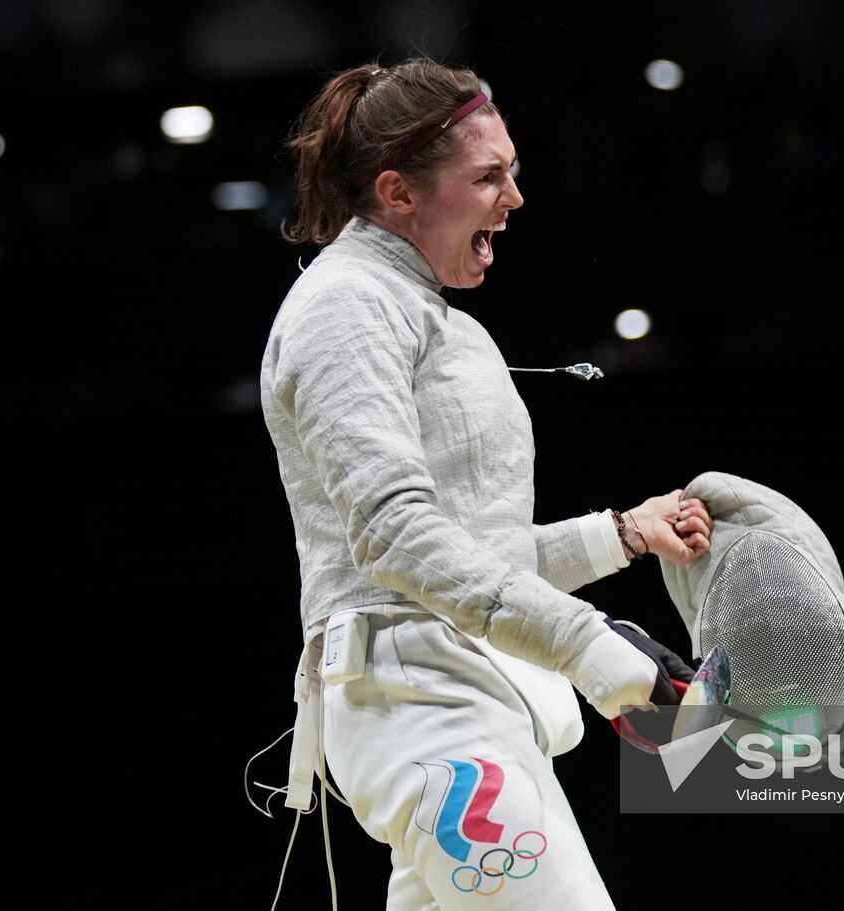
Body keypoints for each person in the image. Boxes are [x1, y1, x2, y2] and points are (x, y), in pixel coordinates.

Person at [259, 58, 713, 909]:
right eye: (489, 176)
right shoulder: (345, 305)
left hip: (467, 704)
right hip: (426, 713)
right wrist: (586, 644)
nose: (514, 197)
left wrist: (620, 534)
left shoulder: (419, 309)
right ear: (398, 192)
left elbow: (472, 556)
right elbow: (395, 537)